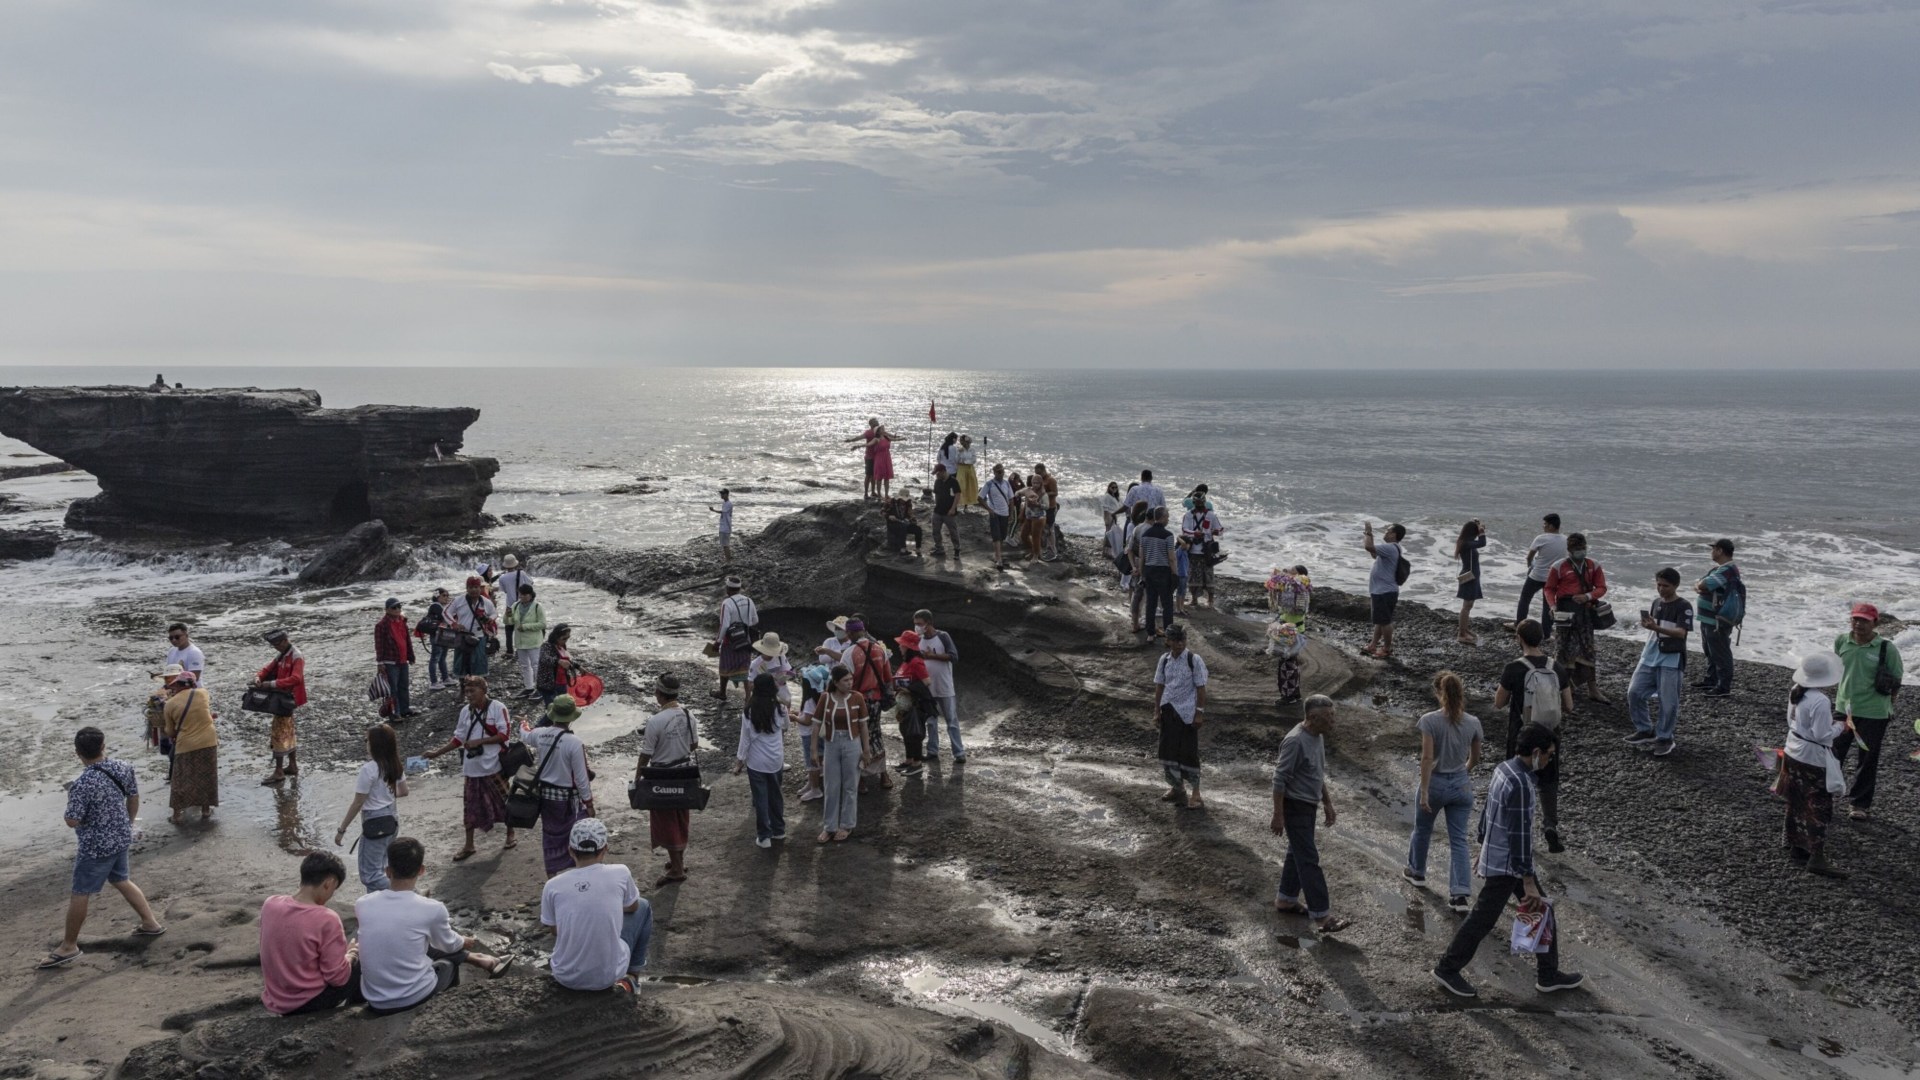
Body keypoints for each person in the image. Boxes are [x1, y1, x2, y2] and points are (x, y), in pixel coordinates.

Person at [1432, 724, 1586, 999]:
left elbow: (1488, 812)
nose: (1549, 760)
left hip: (1504, 858)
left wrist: (1483, 844)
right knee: (1483, 919)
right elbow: (1520, 835)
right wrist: (1528, 880)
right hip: (1509, 864)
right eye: (1549, 754)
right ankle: (1447, 968)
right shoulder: (1521, 784)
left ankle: (1548, 973)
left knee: (1541, 910)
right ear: (1536, 752)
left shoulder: (1503, 769)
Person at [38, 727, 166, 969]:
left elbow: (71, 820)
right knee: (121, 879)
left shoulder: (82, 784)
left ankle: (69, 946)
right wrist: (127, 823)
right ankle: (150, 923)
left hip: (95, 846)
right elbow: (134, 796)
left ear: (77, 753)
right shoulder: (122, 767)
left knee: (80, 892)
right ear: (103, 746)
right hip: (121, 837)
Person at [353, 838, 509, 1013]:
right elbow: (450, 945)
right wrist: (462, 940)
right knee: (447, 962)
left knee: (412, 941)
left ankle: (479, 959)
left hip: (376, 1000)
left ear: (387, 871)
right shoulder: (432, 908)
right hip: (413, 996)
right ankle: (447, 1008)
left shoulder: (363, 904)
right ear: (421, 870)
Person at [542, 818, 653, 994]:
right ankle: (631, 978)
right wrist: (611, 907)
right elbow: (632, 907)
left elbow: (555, 930)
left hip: (564, 976)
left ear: (570, 851)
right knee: (644, 906)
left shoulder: (552, 885)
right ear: (605, 849)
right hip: (606, 977)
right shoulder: (621, 872)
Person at [1404, 672, 1483, 913]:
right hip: (1460, 784)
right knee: (1458, 839)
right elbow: (1476, 758)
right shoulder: (1473, 722)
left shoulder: (1429, 720)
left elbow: (1427, 758)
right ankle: (1459, 894)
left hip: (1436, 782)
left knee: (1423, 829)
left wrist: (1425, 790)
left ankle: (1417, 871)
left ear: (1439, 693)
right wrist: (1462, 772)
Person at [1495, 620, 1574, 853]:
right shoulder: (1556, 667)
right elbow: (1569, 705)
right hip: (1550, 735)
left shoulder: (1514, 668)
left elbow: (1499, 703)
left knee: (1519, 781)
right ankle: (1550, 825)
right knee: (1548, 783)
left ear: (1519, 638)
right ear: (1542, 638)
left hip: (1522, 735)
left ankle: (1519, 827)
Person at [1270, 697, 1347, 934]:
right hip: (1295, 806)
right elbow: (1279, 779)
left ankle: (1286, 899)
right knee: (1309, 860)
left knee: (1298, 852)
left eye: (1333, 715)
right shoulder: (1295, 741)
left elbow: (1316, 772)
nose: (1333, 720)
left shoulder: (1317, 736)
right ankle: (1323, 917)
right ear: (1313, 718)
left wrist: (1327, 802)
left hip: (1308, 805)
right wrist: (1278, 815)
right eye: (1329, 716)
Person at [422, 677, 517, 861]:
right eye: (466, 691)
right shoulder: (465, 711)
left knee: (504, 801)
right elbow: (458, 739)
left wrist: (479, 741)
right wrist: (436, 753)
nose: (469, 695)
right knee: (470, 807)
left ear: (483, 690)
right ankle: (469, 844)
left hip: (494, 765)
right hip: (472, 768)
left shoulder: (498, 708)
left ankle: (510, 833)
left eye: (472, 691)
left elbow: (504, 735)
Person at [259, 852, 362, 1014]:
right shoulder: (327, 919)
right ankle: (353, 1008)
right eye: (333, 890)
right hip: (308, 1002)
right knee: (361, 957)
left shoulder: (270, 904)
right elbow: (337, 978)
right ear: (329, 883)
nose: (330, 896)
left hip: (277, 998)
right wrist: (350, 956)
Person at [1831, 602, 1904, 822]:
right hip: (1844, 709)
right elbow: (1837, 668)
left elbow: (1897, 678)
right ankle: (1823, 794)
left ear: (1875, 623)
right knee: (1832, 754)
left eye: (1864, 620)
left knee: (1867, 758)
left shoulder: (1886, 648)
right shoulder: (1842, 640)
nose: (1858, 624)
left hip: (1874, 712)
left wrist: (1889, 703)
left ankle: (1859, 804)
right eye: (1855, 619)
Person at [1781, 651, 1848, 878]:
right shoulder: (1820, 700)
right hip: (1811, 757)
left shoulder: (1796, 691)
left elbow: (1790, 720)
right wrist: (1841, 727)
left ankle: (1795, 845)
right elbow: (1822, 735)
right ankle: (1816, 856)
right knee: (1819, 806)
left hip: (1793, 750)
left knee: (1796, 799)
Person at [1625, 568, 1694, 757]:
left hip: (1671, 658)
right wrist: (1650, 626)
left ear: (1676, 586)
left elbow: (1681, 633)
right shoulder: (1656, 603)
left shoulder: (1684, 606)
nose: (1661, 589)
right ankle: (1645, 729)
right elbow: (1655, 628)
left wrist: (1656, 626)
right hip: (1650, 655)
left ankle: (1665, 737)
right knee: (1635, 692)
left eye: (1665, 586)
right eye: (1658, 585)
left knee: (1669, 702)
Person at [638, 675, 699, 884]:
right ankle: (677, 862)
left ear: (659, 694)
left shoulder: (655, 721)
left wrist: (638, 778)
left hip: (662, 777)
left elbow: (646, 754)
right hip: (684, 772)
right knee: (681, 818)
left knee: (666, 822)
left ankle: (677, 870)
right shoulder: (689, 715)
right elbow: (693, 746)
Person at [334, 723, 408, 892]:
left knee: (370, 875)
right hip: (392, 818)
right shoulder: (395, 764)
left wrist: (341, 830)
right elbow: (404, 791)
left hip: (375, 821)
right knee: (382, 867)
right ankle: (379, 905)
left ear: (374, 745)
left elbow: (358, 802)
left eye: (367, 740)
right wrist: (385, 792)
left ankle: (409, 892)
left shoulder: (368, 770)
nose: (365, 744)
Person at [526, 694, 594, 877]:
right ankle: (574, 871)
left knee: (550, 836)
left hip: (546, 797)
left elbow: (525, 734)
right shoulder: (574, 743)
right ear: (571, 718)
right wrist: (589, 803)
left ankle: (552, 874)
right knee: (573, 835)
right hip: (568, 800)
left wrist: (522, 722)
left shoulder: (540, 734)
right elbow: (581, 779)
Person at [1544, 533, 1610, 704]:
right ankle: (1565, 686)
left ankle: (1592, 689)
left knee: (1587, 649)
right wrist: (1552, 606)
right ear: (1569, 550)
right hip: (1565, 612)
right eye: (1576, 549)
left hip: (1585, 612)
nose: (1580, 552)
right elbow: (1549, 589)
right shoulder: (1558, 566)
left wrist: (1588, 596)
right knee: (1563, 649)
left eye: (1582, 548)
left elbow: (1602, 587)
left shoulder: (1593, 565)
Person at [810, 665, 869, 843]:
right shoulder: (825, 698)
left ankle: (847, 825)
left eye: (851, 679)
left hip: (852, 743)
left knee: (851, 785)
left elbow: (864, 726)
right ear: (835, 682)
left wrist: (866, 750)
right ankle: (829, 827)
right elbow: (816, 724)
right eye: (845, 680)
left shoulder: (858, 698)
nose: (849, 683)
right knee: (831, 785)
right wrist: (813, 750)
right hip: (831, 743)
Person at [1153, 625, 1209, 807]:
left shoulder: (1194, 660)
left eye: (1182, 640)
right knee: (1167, 751)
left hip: (1187, 714)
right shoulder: (1164, 660)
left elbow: (1201, 688)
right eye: (1175, 640)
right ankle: (1177, 788)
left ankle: (1196, 794)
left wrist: (1199, 713)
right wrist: (1156, 711)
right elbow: (1160, 686)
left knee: (1188, 753)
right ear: (1168, 641)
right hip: (1168, 712)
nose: (1180, 644)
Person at [733, 673, 789, 847]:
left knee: (761, 799)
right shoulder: (780, 708)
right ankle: (779, 830)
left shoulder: (749, 711)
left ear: (756, 688)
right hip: (776, 760)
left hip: (756, 762)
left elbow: (745, 740)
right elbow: (786, 727)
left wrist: (739, 762)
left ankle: (764, 836)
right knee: (775, 795)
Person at [159, 670, 218, 824]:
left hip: (185, 745)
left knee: (180, 780)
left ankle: (177, 815)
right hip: (208, 741)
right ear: (193, 684)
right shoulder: (203, 693)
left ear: (178, 685)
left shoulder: (170, 704)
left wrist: (162, 728)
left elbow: (170, 731)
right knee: (206, 777)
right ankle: (205, 811)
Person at [253, 629, 307, 785]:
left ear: (284, 641)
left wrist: (270, 683)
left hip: (288, 699)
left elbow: (296, 678)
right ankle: (292, 765)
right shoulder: (283, 654)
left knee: (278, 733)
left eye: (277, 644)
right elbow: (268, 669)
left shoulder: (296, 656)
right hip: (284, 697)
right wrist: (258, 676)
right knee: (289, 731)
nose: (275, 647)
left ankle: (278, 771)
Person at [846, 618, 894, 789]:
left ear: (850, 633)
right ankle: (884, 776)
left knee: (858, 737)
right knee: (876, 735)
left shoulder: (849, 653)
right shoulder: (880, 650)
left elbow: (844, 681)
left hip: (857, 701)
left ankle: (862, 780)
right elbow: (888, 678)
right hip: (876, 701)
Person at [914, 610, 965, 764]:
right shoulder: (918, 640)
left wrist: (932, 656)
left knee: (951, 720)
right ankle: (932, 751)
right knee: (931, 721)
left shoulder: (943, 637)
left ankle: (959, 753)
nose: (917, 627)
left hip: (944, 686)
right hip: (928, 688)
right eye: (915, 624)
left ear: (928, 623)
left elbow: (954, 656)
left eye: (919, 624)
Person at [1695, 538, 1744, 697]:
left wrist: (1700, 586)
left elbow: (1702, 585)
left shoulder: (1726, 570)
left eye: (1713, 549)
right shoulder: (1722, 569)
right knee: (1710, 650)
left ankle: (1723, 687)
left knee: (1720, 652)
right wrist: (1700, 585)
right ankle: (1711, 679)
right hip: (1710, 618)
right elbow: (1701, 584)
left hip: (1717, 619)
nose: (1711, 552)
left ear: (1720, 550)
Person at [1131, 507, 1178, 642]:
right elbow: (1171, 558)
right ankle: (1169, 637)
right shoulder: (1168, 535)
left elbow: (1142, 557)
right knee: (1167, 605)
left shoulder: (1145, 535)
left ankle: (1150, 634)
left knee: (1150, 604)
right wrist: (1175, 574)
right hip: (1163, 571)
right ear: (1162, 518)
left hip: (1149, 570)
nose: (1168, 519)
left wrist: (1142, 574)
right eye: (1167, 517)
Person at [1518, 514, 1568, 642]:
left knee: (1525, 599)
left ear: (1551, 526)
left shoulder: (1541, 538)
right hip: (1553, 578)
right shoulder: (1565, 539)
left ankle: (1519, 626)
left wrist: (1530, 567)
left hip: (1537, 575)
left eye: (1545, 524)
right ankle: (1546, 634)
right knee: (1548, 605)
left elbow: (1529, 557)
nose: (1543, 526)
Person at [890, 630, 933, 776]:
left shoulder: (916, 662)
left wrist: (908, 689)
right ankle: (909, 761)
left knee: (914, 733)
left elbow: (927, 682)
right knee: (906, 732)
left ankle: (917, 764)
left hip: (915, 705)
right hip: (905, 705)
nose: (899, 647)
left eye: (902, 644)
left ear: (908, 647)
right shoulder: (907, 661)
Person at [1362, 522, 1405, 659]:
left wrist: (1368, 533)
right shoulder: (1392, 548)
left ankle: (1386, 648)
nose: (1385, 533)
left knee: (1385, 621)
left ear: (1394, 534)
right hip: (1382, 590)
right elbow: (1374, 554)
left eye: (1388, 531)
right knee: (1380, 620)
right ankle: (1373, 644)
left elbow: (1368, 547)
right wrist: (1371, 539)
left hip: (1385, 591)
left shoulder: (1391, 547)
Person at [714, 576, 759, 702]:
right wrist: (743, 625)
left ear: (728, 589)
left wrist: (717, 642)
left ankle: (722, 692)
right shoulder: (749, 600)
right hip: (745, 639)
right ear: (739, 588)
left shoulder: (726, 603)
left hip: (730, 641)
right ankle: (748, 697)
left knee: (725, 665)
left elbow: (724, 625)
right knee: (745, 667)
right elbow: (755, 620)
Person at [375, 598, 418, 719]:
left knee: (403, 685)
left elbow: (407, 640)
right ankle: (395, 713)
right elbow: (379, 645)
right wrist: (380, 663)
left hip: (403, 659)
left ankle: (405, 709)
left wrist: (411, 656)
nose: (397, 609)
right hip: (390, 661)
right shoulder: (381, 625)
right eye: (394, 607)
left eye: (399, 607)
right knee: (392, 688)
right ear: (387, 609)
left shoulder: (402, 621)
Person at [447, 576, 496, 678]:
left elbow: (494, 613)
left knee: (479, 661)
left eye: (476, 587)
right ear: (467, 588)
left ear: (480, 588)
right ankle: (463, 687)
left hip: (479, 636)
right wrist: (454, 624)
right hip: (462, 636)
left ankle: (480, 688)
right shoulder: (458, 600)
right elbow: (446, 612)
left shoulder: (486, 602)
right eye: (471, 587)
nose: (474, 590)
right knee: (461, 662)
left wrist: (490, 619)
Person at [504, 584, 547, 698]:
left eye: (525, 595)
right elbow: (509, 622)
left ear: (530, 595)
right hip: (520, 641)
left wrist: (525, 626)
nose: (522, 597)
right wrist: (507, 615)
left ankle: (540, 689)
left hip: (533, 641)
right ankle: (528, 687)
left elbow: (543, 624)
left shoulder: (537, 606)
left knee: (536, 664)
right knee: (524, 665)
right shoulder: (516, 605)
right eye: (520, 594)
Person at [1454, 520, 1487, 645]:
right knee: (1467, 606)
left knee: (1468, 605)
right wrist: (1482, 532)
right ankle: (1461, 634)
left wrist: (1477, 524)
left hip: (1472, 576)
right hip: (1470, 577)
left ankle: (1464, 629)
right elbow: (1482, 543)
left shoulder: (1466, 542)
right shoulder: (1467, 543)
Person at [495, 555, 533, 652]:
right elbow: (530, 584)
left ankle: (509, 650)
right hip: (522, 604)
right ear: (515, 564)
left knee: (509, 629)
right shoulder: (522, 573)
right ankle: (520, 649)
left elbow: (504, 591)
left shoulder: (502, 578)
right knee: (520, 628)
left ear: (505, 566)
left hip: (510, 606)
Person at [981, 463, 1017, 568]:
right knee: (996, 536)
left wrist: (1011, 514)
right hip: (995, 513)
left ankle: (998, 555)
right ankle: (998, 559)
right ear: (994, 472)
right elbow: (980, 497)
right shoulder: (989, 484)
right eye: (999, 472)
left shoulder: (1006, 483)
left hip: (1005, 513)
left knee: (1002, 535)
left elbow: (1011, 499)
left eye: (1002, 471)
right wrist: (989, 509)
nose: (1001, 474)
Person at [536, 623, 578, 709]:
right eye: (564, 638)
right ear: (556, 636)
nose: (566, 640)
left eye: (568, 638)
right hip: (548, 684)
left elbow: (568, 660)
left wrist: (578, 667)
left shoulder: (562, 646)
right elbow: (544, 659)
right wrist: (558, 661)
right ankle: (541, 723)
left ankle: (558, 722)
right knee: (553, 709)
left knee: (563, 707)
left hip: (562, 682)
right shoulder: (547, 646)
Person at [422, 587, 454, 691]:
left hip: (443, 635)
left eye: (447, 595)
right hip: (437, 635)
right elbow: (446, 618)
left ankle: (445, 678)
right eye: (444, 595)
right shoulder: (435, 606)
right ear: (437, 596)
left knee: (442, 657)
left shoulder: (441, 606)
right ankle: (434, 682)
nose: (446, 597)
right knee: (435, 658)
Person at [843, 419, 882, 501]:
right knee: (868, 475)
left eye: (877, 422)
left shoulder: (879, 432)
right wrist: (851, 440)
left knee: (874, 476)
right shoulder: (868, 432)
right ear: (871, 424)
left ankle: (873, 492)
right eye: (875, 422)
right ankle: (866, 493)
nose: (877, 423)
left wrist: (898, 438)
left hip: (877, 457)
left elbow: (888, 437)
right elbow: (859, 437)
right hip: (869, 457)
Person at [930, 464, 960, 558]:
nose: (937, 475)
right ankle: (939, 548)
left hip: (949, 512)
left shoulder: (953, 481)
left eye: (938, 473)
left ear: (943, 471)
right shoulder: (937, 482)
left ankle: (957, 549)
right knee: (935, 531)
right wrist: (936, 505)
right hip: (938, 510)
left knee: (953, 532)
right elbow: (936, 494)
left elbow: (957, 495)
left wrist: (953, 508)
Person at [1033, 463, 1061, 560]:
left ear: (1043, 470)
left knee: (1050, 530)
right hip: (1042, 507)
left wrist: (1043, 494)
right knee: (1045, 530)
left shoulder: (1051, 480)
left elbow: (1055, 492)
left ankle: (1052, 552)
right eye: (1036, 473)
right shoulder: (1041, 480)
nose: (1037, 475)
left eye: (1039, 473)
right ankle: (1048, 550)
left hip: (1051, 507)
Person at [954, 435, 980, 509]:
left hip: (969, 468)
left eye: (963, 441)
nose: (962, 443)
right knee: (961, 485)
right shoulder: (959, 450)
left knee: (969, 485)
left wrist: (965, 462)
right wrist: (959, 454)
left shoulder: (972, 450)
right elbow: (956, 460)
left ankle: (966, 504)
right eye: (961, 441)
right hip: (961, 469)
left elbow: (974, 460)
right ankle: (958, 502)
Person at [710, 489, 734, 564]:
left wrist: (713, 510)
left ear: (727, 494)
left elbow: (722, 512)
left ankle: (728, 561)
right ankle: (727, 559)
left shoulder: (729, 504)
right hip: (724, 526)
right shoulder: (725, 503)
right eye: (721, 494)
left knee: (725, 545)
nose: (721, 495)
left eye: (723, 494)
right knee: (724, 545)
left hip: (726, 527)